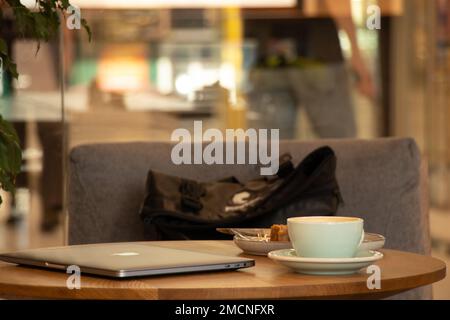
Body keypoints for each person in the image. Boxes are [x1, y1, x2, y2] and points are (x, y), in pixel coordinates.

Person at [245, 0, 375, 138]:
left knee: (271, 148)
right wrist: (356, 55)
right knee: (339, 143)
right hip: (317, 54)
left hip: (268, 52)